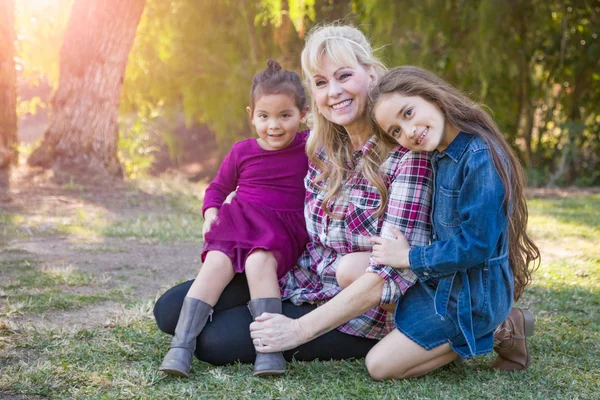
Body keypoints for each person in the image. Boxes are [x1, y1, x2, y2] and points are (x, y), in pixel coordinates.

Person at [154, 24, 433, 370]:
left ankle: (442, 339)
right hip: (302, 278)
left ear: (371, 74)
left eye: (344, 75)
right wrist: (221, 212)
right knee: (169, 311)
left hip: (355, 310)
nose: (333, 92)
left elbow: (392, 275)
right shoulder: (319, 147)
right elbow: (266, 146)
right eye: (320, 83)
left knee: (214, 343)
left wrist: (297, 330)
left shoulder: (406, 157)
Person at [349, 65, 541, 379]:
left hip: (474, 297)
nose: (408, 131)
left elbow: (476, 246)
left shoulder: (479, 157)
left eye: (408, 113)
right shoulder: (440, 152)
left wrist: (409, 257)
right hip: (443, 281)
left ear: (432, 96)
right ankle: (466, 332)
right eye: (396, 130)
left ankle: (500, 329)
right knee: (351, 271)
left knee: (379, 367)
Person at [158, 59, 310, 377]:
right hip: (237, 221)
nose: (275, 125)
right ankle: (181, 347)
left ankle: (269, 350)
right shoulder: (242, 151)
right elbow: (217, 188)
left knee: (259, 263)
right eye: (264, 116)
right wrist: (211, 214)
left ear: (303, 115)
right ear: (251, 116)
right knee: (215, 264)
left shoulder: (308, 146)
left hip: (280, 229)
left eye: (286, 115)